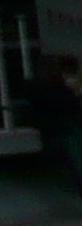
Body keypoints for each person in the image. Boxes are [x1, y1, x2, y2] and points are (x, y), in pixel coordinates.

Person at [26, 53, 82, 195]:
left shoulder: (37, 85)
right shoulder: (53, 85)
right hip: (60, 123)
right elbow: (69, 104)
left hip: (52, 123)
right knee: (74, 148)